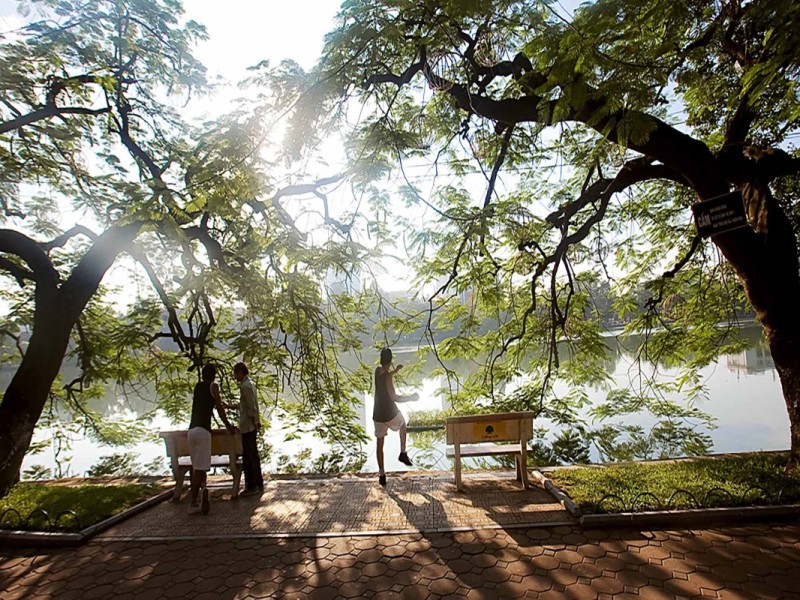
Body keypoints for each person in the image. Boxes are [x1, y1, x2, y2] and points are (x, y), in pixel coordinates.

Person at [188, 363, 236, 515]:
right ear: (214, 375)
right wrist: (228, 425)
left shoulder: (197, 386)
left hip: (192, 431)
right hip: (203, 431)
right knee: (198, 468)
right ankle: (193, 501)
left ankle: (203, 492)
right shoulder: (213, 386)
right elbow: (220, 408)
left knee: (198, 465)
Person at [373, 348, 419, 486]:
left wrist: (395, 371)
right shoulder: (388, 377)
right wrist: (411, 397)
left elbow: (385, 376)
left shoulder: (376, 371)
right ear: (391, 360)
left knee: (380, 444)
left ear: (381, 359)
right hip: (389, 412)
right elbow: (394, 397)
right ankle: (403, 452)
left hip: (377, 414)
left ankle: (381, 474)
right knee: (403, 423)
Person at [233, 361, 264, 497]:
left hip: (248, 426)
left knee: (248, 456)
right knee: (253, 455)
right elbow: (245, 405)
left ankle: (251, 486)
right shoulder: (250, 384)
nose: (235, 377)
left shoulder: (245, 386)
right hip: (250, 425)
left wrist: (254, 422)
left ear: (241, 372)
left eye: (236, 373)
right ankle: (258, 483)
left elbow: (251, 408)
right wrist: (230, 406)